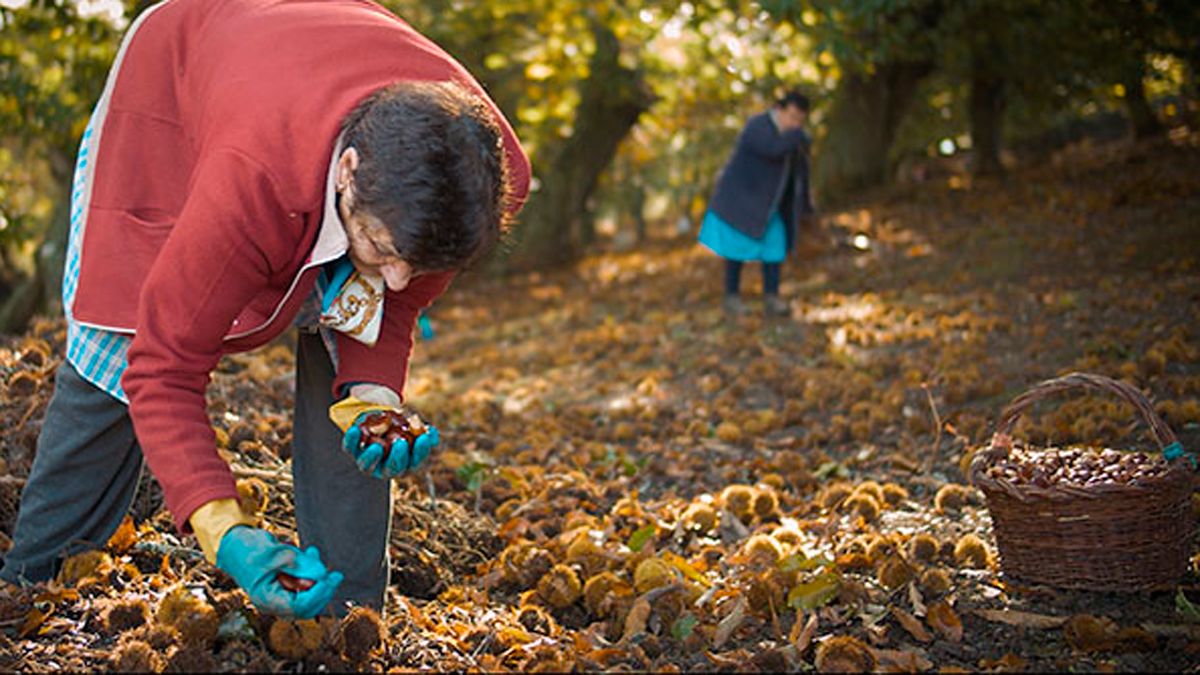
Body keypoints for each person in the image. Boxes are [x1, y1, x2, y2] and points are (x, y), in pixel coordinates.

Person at [0, 0, 530, 620]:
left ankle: (347, 613)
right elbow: (162, 367)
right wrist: (224, 528)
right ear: (349, 173)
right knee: (118, 338)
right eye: (385, 249)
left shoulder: (478, 179)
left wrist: (376, 402)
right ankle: (31, 583)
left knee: (352, 378)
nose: (398, 280)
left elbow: (389, 305)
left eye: (417, 263)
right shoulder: (251, 183)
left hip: (299, 65)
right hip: (175, 80)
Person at [699, 90, 813, 317]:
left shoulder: (793, 138)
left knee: (775, 249)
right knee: (736, 248)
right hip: (741, 201)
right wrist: (798, 136)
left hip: (771, 206)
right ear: (779, 110)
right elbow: (772, 149)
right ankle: (732, 296)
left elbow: (800, 173)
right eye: (791, 117)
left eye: (800, 120)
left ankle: (772, 297)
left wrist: (805, 203)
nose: (795, 124)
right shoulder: (758, 126)